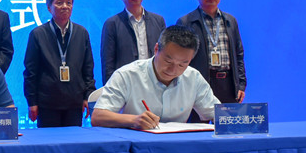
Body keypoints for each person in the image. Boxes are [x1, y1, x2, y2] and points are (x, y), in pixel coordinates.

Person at [92, 25, 220, 129]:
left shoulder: (193, 78)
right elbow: (98, 117)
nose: (173, 70)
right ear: (156, 49)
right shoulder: (127, 75)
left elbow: (219, 114)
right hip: (136, 145)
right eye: (168, 61)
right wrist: (134, 120)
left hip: (177, 146)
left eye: (182, 64)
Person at [23, 0, 95, 128]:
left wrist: (88, 96)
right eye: (59, 3)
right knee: (49, 140)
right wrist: (32, 102)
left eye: (68, 3)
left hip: (74, 102)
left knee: (74, 139)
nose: (65, 6)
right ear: (49, 8)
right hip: (47, 103)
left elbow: (88, 68)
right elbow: (31, 71)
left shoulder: (82, 33)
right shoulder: (38, 34)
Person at [176, 0, 246, 105]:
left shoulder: (230, 21)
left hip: (228, 84)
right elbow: (179, 58)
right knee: (199, 119)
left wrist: (241, 84)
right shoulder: (186, 22)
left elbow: (239, 55)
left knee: (227, 118)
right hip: (199, 83)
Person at [100, 0, 166, 84]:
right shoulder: (112, 24)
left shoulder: (158, 21)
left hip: (155, 82)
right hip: (126, 83)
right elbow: (108, 63)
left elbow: (164, 54)